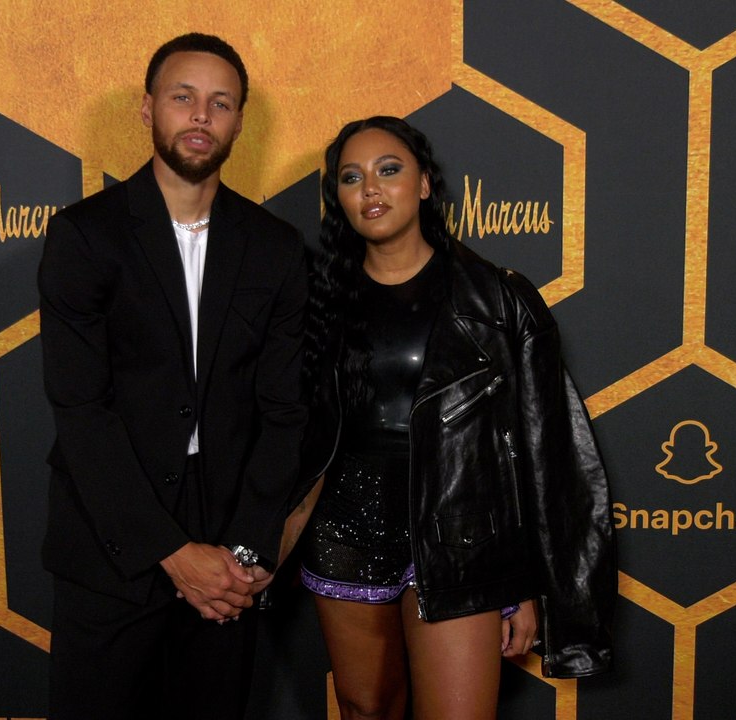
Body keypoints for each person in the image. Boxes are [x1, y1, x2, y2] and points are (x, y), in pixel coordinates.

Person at [296, 116, 616, 719]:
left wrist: (524, 584)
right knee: (365, 709)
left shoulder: (496, 298)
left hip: (460, 535)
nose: (370, 188)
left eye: (389, 170)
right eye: (351, 177)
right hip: (345, 529)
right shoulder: (316, 300)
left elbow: (545, 448)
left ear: (423, 184)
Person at [37, 33, 307, 720]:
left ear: (239, 121)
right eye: (183, 97)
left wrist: (244, 554)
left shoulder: (276, 248)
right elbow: (81, 409)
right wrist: (170, 552)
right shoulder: (84, 236)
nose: (200, 116)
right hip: (110, 538)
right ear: (148, 107)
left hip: (229, 546)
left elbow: (284, 410)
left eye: (220, 103)